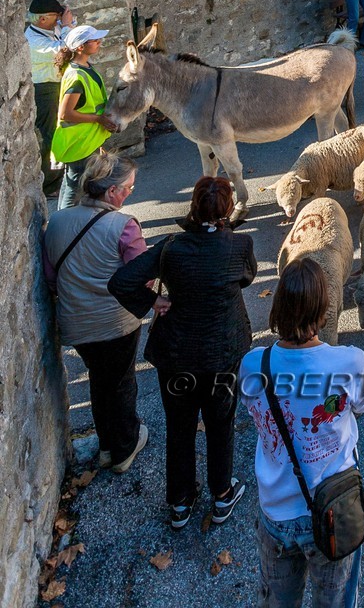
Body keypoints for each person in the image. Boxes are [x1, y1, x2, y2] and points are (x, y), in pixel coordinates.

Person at [109, 175, 257, 529]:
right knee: (221, 422)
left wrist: (153, 301)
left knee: (179, 425)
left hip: (176, 353)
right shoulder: (240, 245)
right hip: (222, 351)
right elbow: (247, 278)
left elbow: (122, 281)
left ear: (193, 207)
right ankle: (222, 493)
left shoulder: (171, 247)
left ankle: (180, 502)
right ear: (227, 209)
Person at [241, 258, 364, 608]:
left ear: (278, 306)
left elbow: (253, 408)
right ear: (324, 309)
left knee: (277, 601)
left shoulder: (253, 364)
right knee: (334, 599)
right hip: (333, 506)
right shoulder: (348, 362)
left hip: (276, 510)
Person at [43, 152, 152, 473]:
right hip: (115, 322)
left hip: (76, 323)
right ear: (111, 191)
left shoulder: (57, 221)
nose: (130, 193)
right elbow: (142, 277)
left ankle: (106, 445)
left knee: (100, 381)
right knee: (121, 383)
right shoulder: (123, 226)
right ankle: (124, 449)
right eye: (128, 188)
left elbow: (51, 278)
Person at [51, 25, 123, 210]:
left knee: (71, 184)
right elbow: (66, 113)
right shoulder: (77, 76)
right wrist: (99, 119)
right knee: (74, 189)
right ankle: (62, 223)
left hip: (84, 140)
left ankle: (62, 220)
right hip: (79, 143)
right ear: (80, 47)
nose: (99, 42)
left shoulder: (84, 67)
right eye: (94, 40)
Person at [25, 0, 72, 191]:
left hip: (55, 86)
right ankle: (49, 184)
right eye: (56, 16)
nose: (59, 19)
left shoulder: (50, 29)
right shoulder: (32, 40)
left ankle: (59, 176)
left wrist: (66, 24)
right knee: (49, 135)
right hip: (44, 91)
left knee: (60, 132)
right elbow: (64, 49)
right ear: (43, 19)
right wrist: (67, 25)